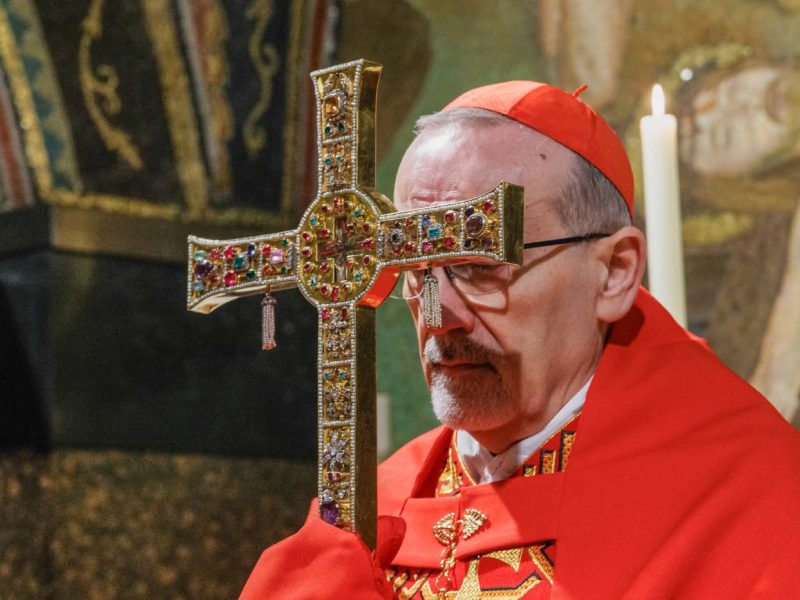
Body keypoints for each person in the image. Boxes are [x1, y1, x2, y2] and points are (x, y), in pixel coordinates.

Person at [239, 81, 800, 599]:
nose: (441, 315)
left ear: (614, 273)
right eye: (411, 264)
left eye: (481, 264)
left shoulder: (747, 497)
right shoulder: (373, 507)